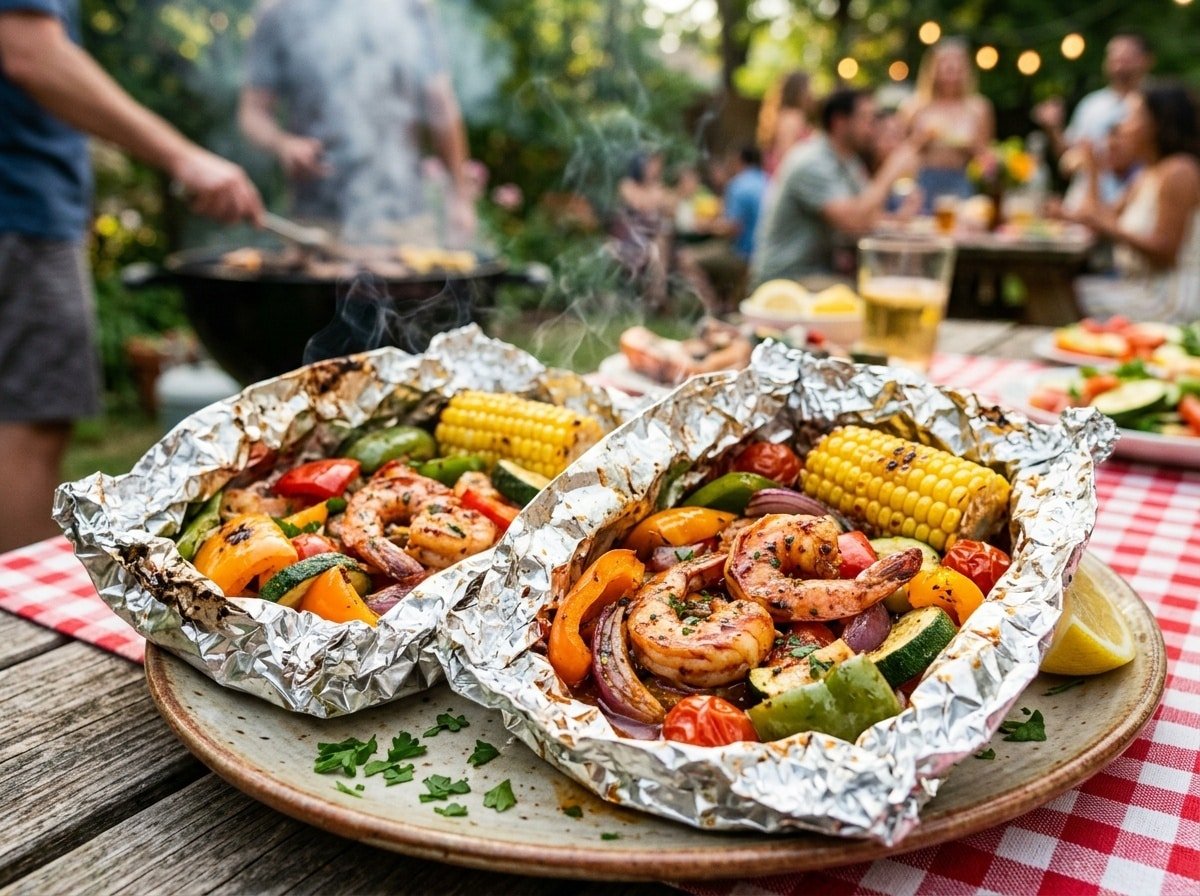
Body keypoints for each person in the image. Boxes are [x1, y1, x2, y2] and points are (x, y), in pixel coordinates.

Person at [0, 1, 264, 553]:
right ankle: (12, 624)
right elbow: (27, 48)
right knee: (30, 422)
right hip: (19, 209)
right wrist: (182, 156)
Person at [239, 0, 474, 245]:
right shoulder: (279, 12)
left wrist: (460, 197)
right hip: (315, 226)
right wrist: (282, 143)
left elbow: (440, 102)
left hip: (404, 223)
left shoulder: (410, 8)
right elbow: (253, 113)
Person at [751, 89, 920, 286]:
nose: (872, 128)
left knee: (897, 284)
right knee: (879, 292)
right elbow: (852, 221)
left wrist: (899, 219)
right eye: (866, 119)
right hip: (786, 278)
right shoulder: (811, 161)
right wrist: (891, 170)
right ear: (839, 122)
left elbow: (867, 217)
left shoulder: (848, 161)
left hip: (819, 272)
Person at [1062, 84, 1200, 323]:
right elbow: (1097, 216)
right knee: (1060, 290)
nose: (1123, 126)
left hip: (1168, 298)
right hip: (1138, 287)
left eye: (1132, 117)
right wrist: (1092, 170)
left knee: (1062, 294)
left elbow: (1165, 252)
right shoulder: (1146, 174)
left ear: (1156, 123)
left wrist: (1109, 227)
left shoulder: (1179, 171)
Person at [1034, 32, 1153, 208]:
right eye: (1113, 58)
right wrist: (1054, 128)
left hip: (1138, 204)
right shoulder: (1091, 104)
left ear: (1146, 60)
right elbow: (1069, 158)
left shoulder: (1156, 103)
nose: (1119, 64)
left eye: (1126, 57)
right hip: (1087, 201)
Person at [901, 38, 994, 211]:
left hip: (961, 181)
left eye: (957, 63)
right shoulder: (915, 106)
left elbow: (986, 158)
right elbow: (900, 153)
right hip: (923, 182)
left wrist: (973, 148)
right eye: (945, 63)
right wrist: (920, 139)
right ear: (932, 68)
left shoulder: (979, 108)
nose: (951, 68)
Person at [676, 146, 769, 312]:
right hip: (765, 253)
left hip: (744, 254)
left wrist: (706, 226)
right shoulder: (767, 180)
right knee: (715, 252)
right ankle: (725, 304)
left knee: (686, 258)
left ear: (740, 160)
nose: (729, 165)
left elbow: (733, 228)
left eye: (731, 161)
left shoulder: (739, 184)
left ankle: (713, 309)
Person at [757, 71, 813, 178]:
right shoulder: (791, 118)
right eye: (808, 88)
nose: (812, 93)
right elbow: (787, 157)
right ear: (798, 91)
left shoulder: (787, 116)